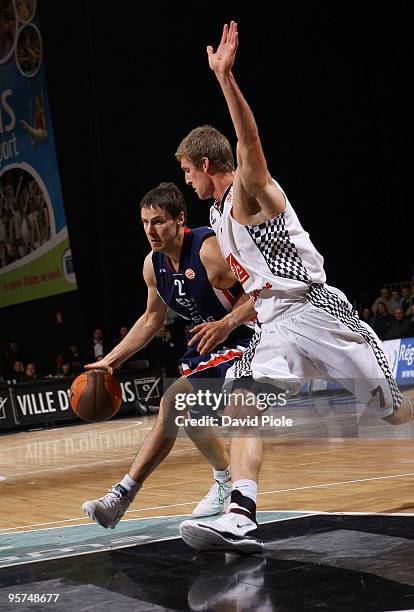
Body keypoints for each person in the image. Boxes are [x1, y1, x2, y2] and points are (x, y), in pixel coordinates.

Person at [175, 21, 414, 554]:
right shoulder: (219, 218)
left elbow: (250, 141)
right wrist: (233, 320)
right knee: (242, 403)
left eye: (189, 171)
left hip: (319, 313)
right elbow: (258, 291)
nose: (187, 181)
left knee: (393, 411)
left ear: (207, 164)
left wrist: (226, 79)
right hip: (275, 326)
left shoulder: (250, 191)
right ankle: (241, 515)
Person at [82, 182, 256, 529]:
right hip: (211, 344)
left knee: (175, 403)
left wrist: (226, 322)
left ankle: (123, 495)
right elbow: (151, 319)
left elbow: (262, 290)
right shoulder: (153, 265)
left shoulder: (208, 250)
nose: (150, 230)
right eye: (145, 222)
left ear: (180, 220)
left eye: (158, 221)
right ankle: (225, 482)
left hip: (246, 338)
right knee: (187, 414)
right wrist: (110, 361)